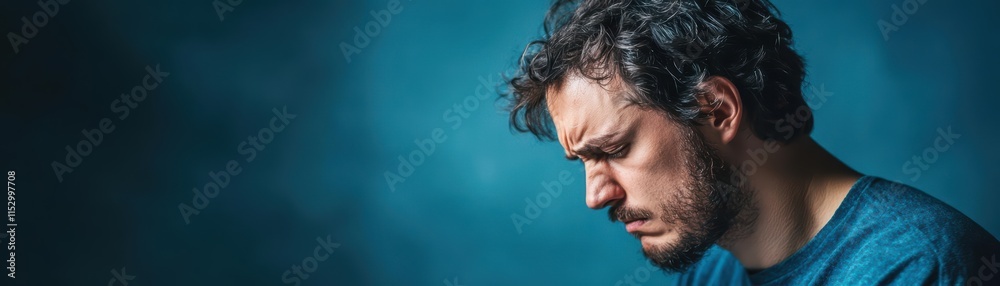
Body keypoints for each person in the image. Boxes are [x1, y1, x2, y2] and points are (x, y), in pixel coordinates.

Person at [501, 0, 1000, 284]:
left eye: (612, 149)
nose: (596, 196)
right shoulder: (711, 272)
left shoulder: (922, 267)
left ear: (717, 110)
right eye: (582, 161)